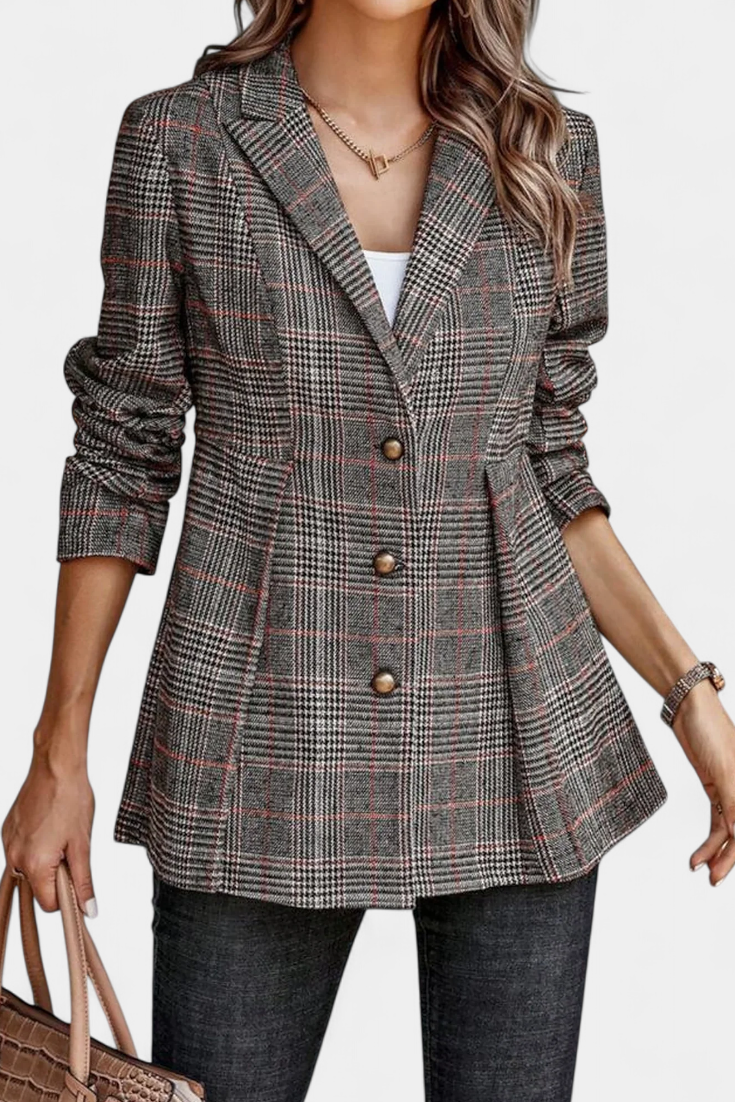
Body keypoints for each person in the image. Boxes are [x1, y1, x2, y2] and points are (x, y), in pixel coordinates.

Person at [3, 2, 735, 1099]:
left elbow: (547, 467)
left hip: (514, 740)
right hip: (256, 742)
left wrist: (694, 700)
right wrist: (59, 750)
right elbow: (123, 450)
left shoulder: (546, 151)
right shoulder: (182, 141)